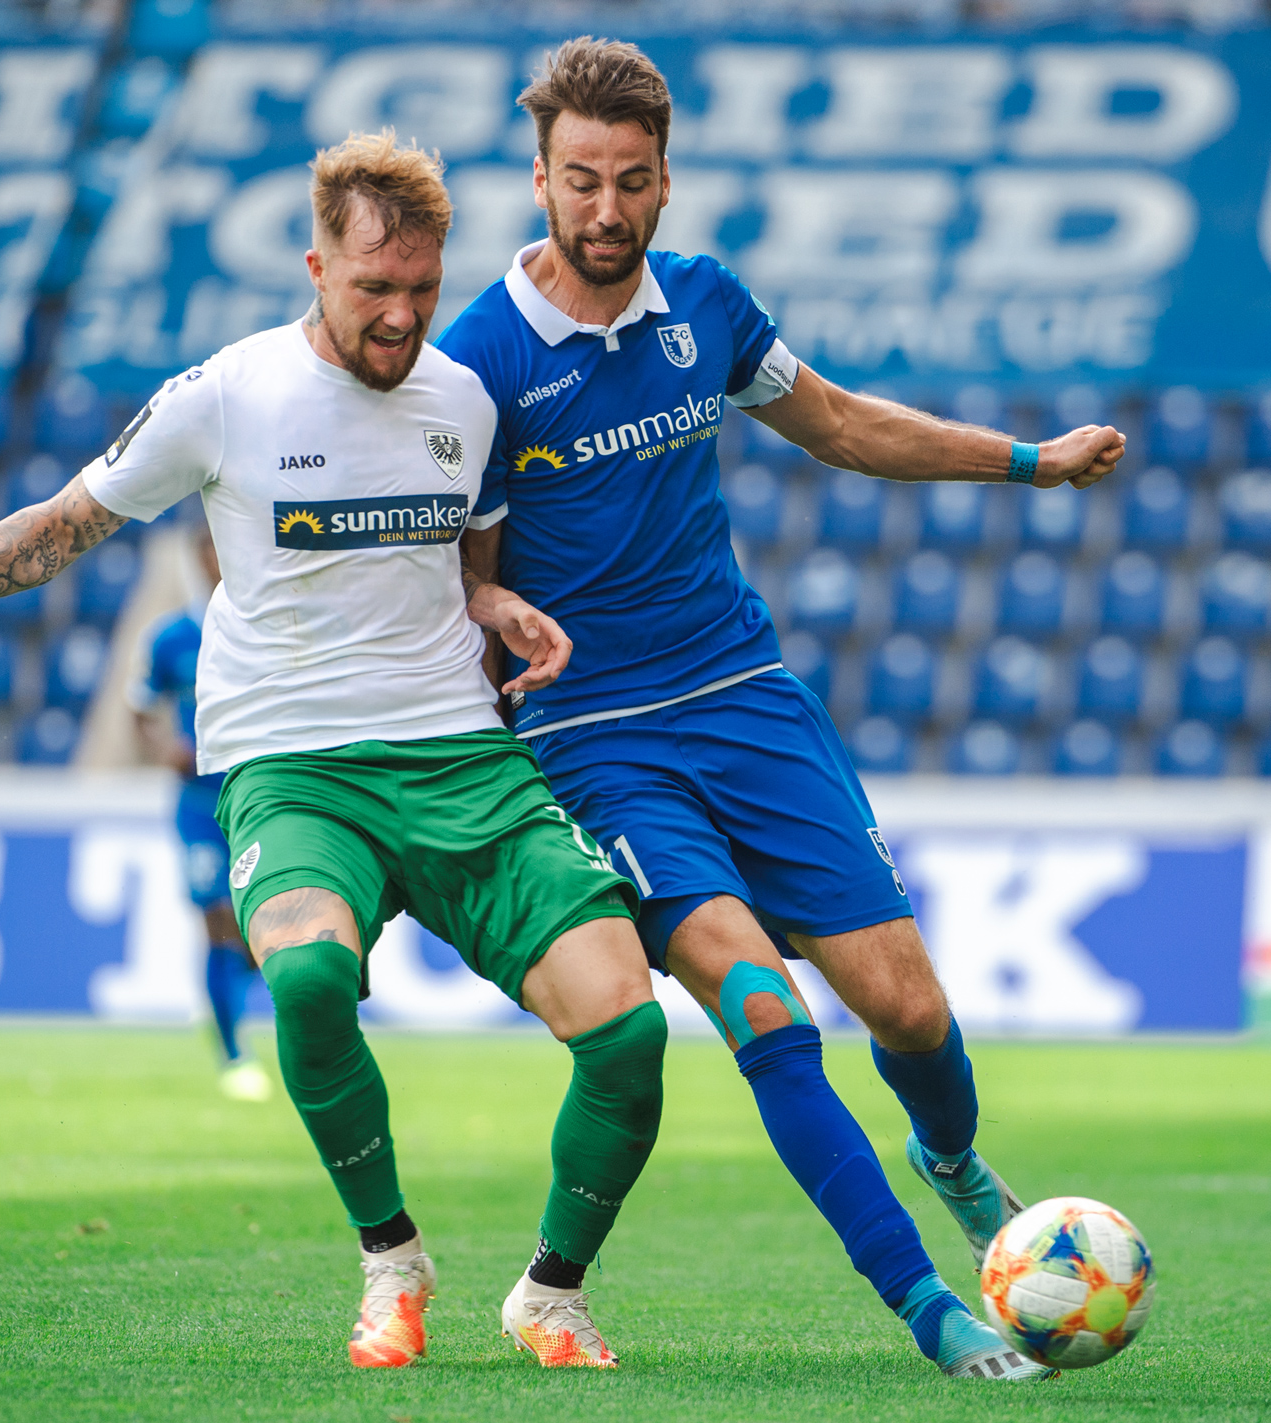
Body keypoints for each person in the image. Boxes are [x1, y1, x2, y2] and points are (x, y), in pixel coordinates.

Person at [0, 130, 668, 1372]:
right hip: (292, 764)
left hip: (460, 756)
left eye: (421, 291)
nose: (400, 318)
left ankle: (552, 1291)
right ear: (315, 265)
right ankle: (392, 1261)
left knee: (628, 1030)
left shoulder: (464, 399)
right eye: (372, 290)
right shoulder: (223, 395)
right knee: (301, 981)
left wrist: (495, 606)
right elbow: (68, 521)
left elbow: (471, 564)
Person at [437, 37, 1126, 1382]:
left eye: (631, 182)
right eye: (580, 180)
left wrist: (1029, 461)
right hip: (598, 742)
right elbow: (458, 581)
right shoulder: (481, 367)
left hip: (747, 698)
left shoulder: (706, 307)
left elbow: (844, 424)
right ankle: (934, 1308)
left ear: (666, 182)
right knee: (763, 1009)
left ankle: (952, 1159)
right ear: (539, 179)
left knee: (911, 1011)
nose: (605, 211)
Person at [127, 521, 272, 1102]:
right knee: (217, 919)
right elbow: (140, 707)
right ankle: (234, 1052)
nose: (218, 556)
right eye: (209, 546)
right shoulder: (172, 637)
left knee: (257, 930)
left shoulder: (265, 630)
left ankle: (229, 998)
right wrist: (165, 750)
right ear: (198, 554)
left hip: (260, 793)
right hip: (199, 800)